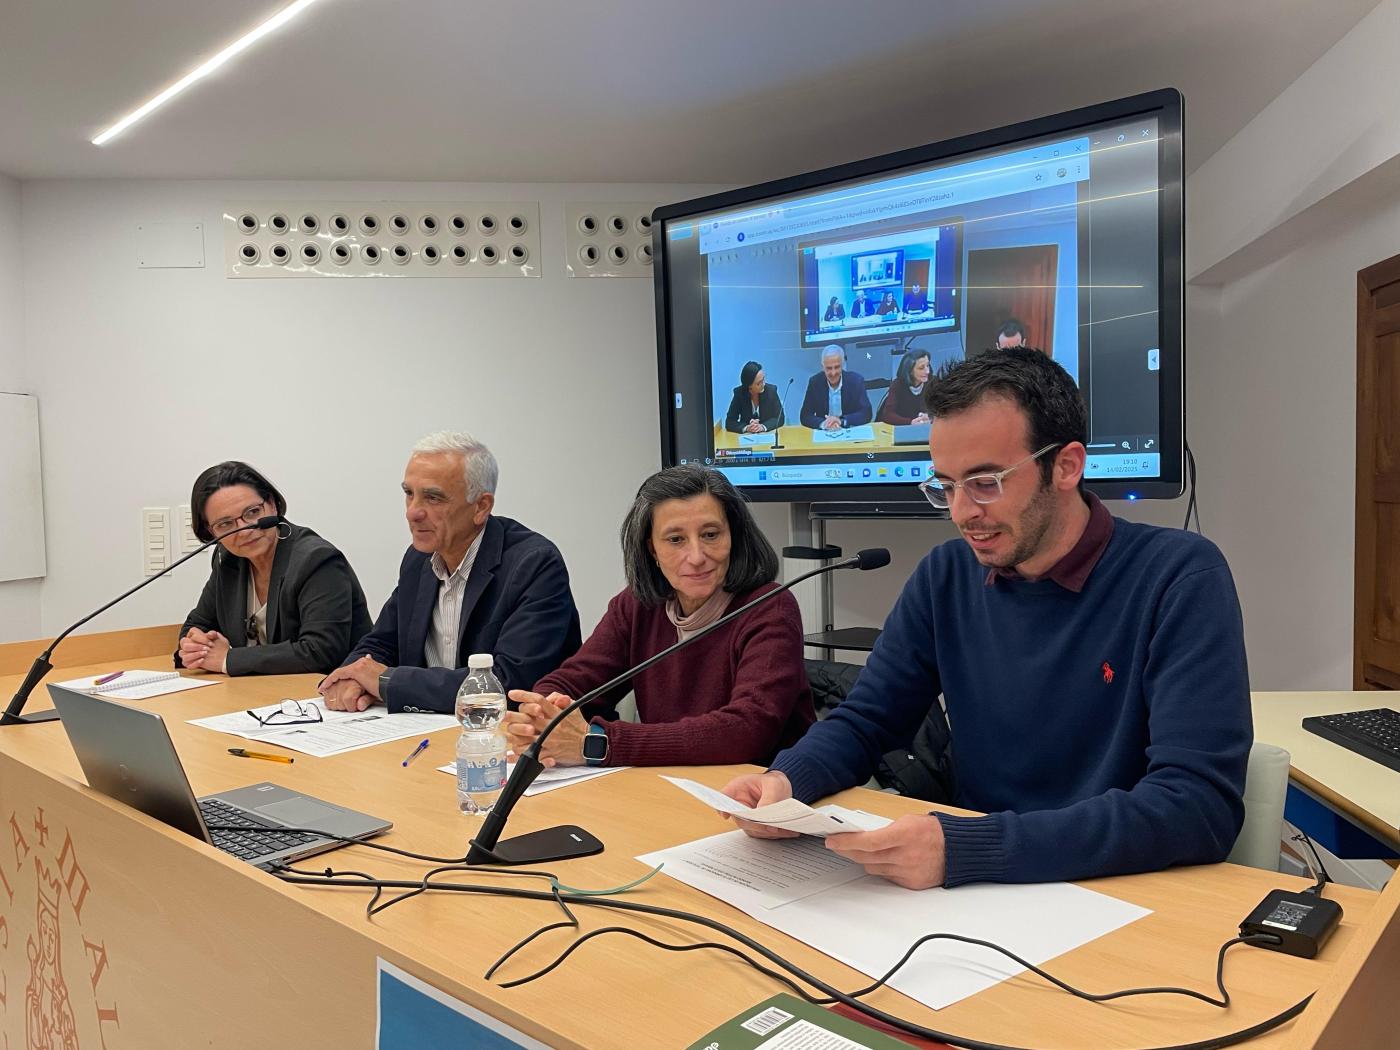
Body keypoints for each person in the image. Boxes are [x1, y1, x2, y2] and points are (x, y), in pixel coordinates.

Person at [724, 348, 1251, 890]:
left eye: (985, 482)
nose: (960, 513)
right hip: (977, 894)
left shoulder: (1178, 577)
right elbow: (867, 720)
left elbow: (1198, 807)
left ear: (1066, 466)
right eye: (945, 486)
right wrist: (788, 781)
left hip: (1123, 890)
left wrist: (969, 847)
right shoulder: (946, 576)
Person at [503, 465, 814, 768]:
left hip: (757, 794)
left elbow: (747, 731)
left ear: (734, 536)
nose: (696, 556)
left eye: (710, 534)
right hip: (665, 786)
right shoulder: (638, 605)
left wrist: (599, 743)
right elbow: (571, 681)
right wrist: (539, 717)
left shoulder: (770, 607)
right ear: (651, 549)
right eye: (676, 540)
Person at [319, 432, 581, 714]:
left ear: (481, 507)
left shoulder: (533, 565)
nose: (413, 513)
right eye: (409, 494)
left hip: (505, 739)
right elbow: (381, 642)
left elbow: (510, 683)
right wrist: (352, 677)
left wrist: (386, 681)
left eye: (433, 498)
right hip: (425, 731)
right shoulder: (418, 559)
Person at [175, 461, 373, 676]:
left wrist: (227, 659)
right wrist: (195, 645)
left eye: (252, 513)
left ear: (272, 504)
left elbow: (321, 651)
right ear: (211, 532)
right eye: (225, 524)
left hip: (328, 696)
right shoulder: (228, 559)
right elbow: (197, 625)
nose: (243, 531)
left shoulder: (316, 559)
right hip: (260, 692)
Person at [799, 346, 872, 430]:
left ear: (842, 365)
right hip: (824, 433)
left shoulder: (856, 381)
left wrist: (842, 421)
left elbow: (866, 413)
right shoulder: (815, 383)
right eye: (829, 368)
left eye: (837, 367)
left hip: (848, 431)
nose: (833, 373)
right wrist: (823, 423)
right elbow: (805, 415)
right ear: (823, 367)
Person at [723, 361, 784, 434]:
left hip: (767, 437)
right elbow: (730, 422)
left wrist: (762, 427)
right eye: (759, 383)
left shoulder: (771, 391)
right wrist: (747, 428)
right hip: (747, 439)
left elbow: (780, 418)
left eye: (763, 379)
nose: (763, 384)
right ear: (749, 387)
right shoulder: (739, 394)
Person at [876, 349, 932, 426]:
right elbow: (887, 415)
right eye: (921, 368)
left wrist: (931, 416)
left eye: (928, 365)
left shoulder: (933, 383)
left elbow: (945, 409)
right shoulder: (898, 385)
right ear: (910, 371)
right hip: (902, 431)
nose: (927, 371)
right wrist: (910, 422)